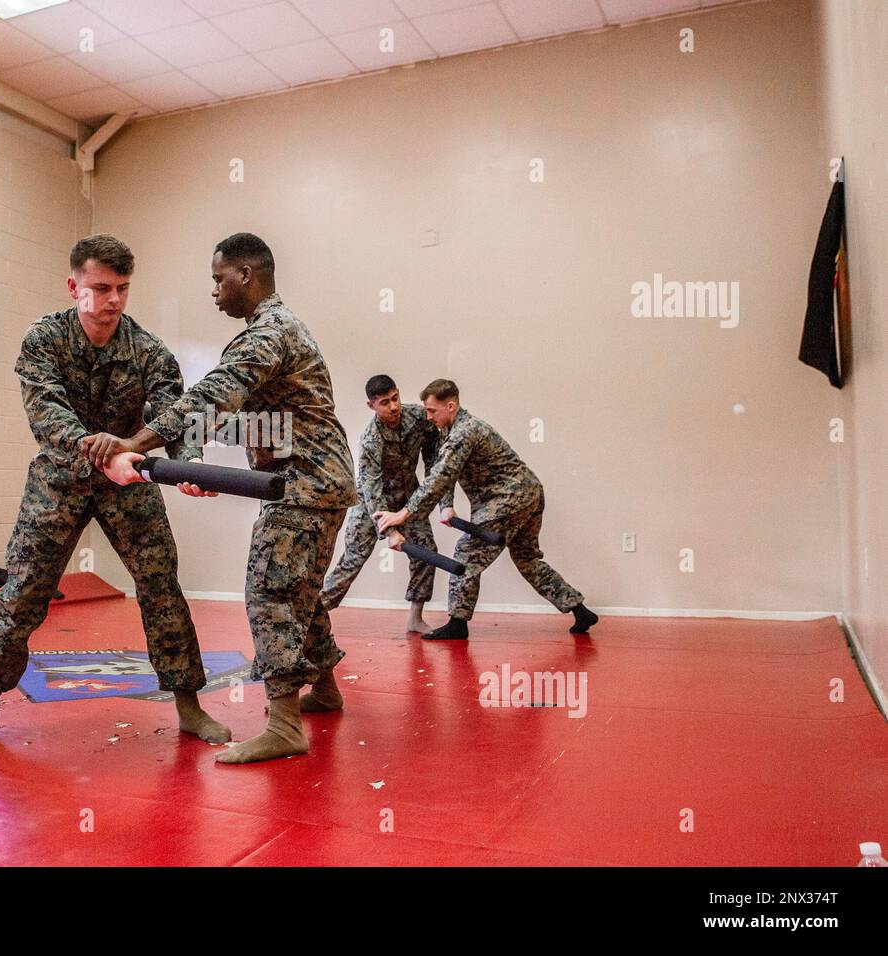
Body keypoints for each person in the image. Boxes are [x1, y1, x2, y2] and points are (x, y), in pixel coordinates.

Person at [84, 233, 356, 765]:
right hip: (313, 477)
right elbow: (260, 419)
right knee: (298, 589)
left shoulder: (266, 334)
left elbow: (211, 396)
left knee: (271, 592)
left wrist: (135, 443)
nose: (214, 291)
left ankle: (284, 727)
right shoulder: (280, 328)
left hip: (304, 484)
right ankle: (323, 688)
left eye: (218, 279)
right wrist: (197, 455)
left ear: (246, 275)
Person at [0, 235, 228, 751]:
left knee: (161, 586)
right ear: (73, 285)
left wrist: (188, 464)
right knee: (23, 591)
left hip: (130, 484)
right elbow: (45, 410)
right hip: (58, 480)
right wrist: (93, 444)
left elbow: (175, 413)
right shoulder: (45, 339)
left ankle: (189, 706)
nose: (114, 300)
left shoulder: (148, 350)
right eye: (101, 287)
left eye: (123, 288)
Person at [374, 379, 598, 640]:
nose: (428, 416)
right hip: (529, 492)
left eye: (432, 410)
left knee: (465, 555)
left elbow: (439, 479)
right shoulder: (450, 430)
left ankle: (457, 624)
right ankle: (580, 610)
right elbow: (442, 470)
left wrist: (402, 514)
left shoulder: (464, 433)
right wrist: (447, 506)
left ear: (451, 406)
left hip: (508, 498)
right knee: (527, 559)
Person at [320, 374, 449, 634]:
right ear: (372, 406)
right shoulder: (371, 440)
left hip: (407, 499)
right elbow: (372, 489)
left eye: (395, 398)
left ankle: (415, 618)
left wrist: (434, 492)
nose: (392, 406)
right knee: (353, 559)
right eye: (384, 402)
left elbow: (435, 449)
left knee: (426, 552)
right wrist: (390, 531)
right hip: (371, 505)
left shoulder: (417, 417)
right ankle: (316, 614)